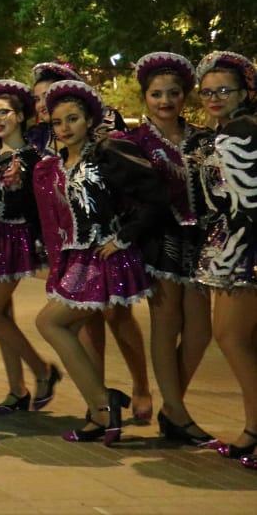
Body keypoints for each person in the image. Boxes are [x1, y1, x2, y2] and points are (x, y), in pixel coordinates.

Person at [32, 80, 163, 445]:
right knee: (64, 329)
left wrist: (123, 237)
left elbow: (154, 196)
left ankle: (105, 404)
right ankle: (100, 410)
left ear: (89, 119)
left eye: (72, 118)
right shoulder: (58, 163)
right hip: (79, 259)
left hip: (104, 258)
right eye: (57, 122)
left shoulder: (108, 152)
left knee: (51, 323)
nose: (65, 128)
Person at [119, 52, 216, 446]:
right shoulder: (133, 143)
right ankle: (177, 413)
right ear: (145, 97)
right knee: (166, 322)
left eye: (173, 93)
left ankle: (173, 409)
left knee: (201, 331)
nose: (165, 101)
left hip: (201, 241)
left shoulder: (202, 138)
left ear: (184, 95)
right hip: (159, 241)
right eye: (156, 94)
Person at [0, 79, 57, 414]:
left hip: (14, 239)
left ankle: (42, 370)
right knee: (2, 314)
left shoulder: (34, 159)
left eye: (4, 113)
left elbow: (39, 208)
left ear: (20, 116)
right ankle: (16, 390)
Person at [191, 50, 257, 466]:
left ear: (245, 92)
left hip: (246, 244)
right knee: (241, 340)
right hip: (235, 239)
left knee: (232, 337)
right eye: (207, 92)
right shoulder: (227, 131)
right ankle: (252, 428)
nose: (214, 98)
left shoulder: (242, 131)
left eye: (223, 91)